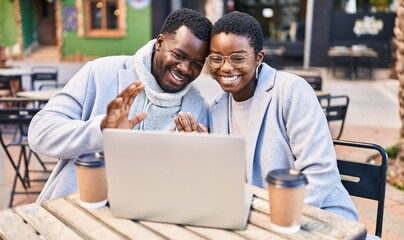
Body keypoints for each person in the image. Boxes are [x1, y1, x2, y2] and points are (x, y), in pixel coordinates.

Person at [176, 12, 358, 221]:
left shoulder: (291, 91)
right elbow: (226, 181)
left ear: (258, 58)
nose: (225, 67)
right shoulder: (216, 108)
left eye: (238, 58)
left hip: (319, 216)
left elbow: (320, 172)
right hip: (253, 219)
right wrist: (199, 151)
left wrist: (276, 217)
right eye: (217, 58)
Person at [28, 8, 213, 203]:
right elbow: (39, 133)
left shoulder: (198, 108)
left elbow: (195, 187)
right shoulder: (100, 73)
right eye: (179, 55)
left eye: (197, 63)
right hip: (78, 211)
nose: (185, 68)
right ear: (159, 43)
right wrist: (102, 130)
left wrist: (192, 158)